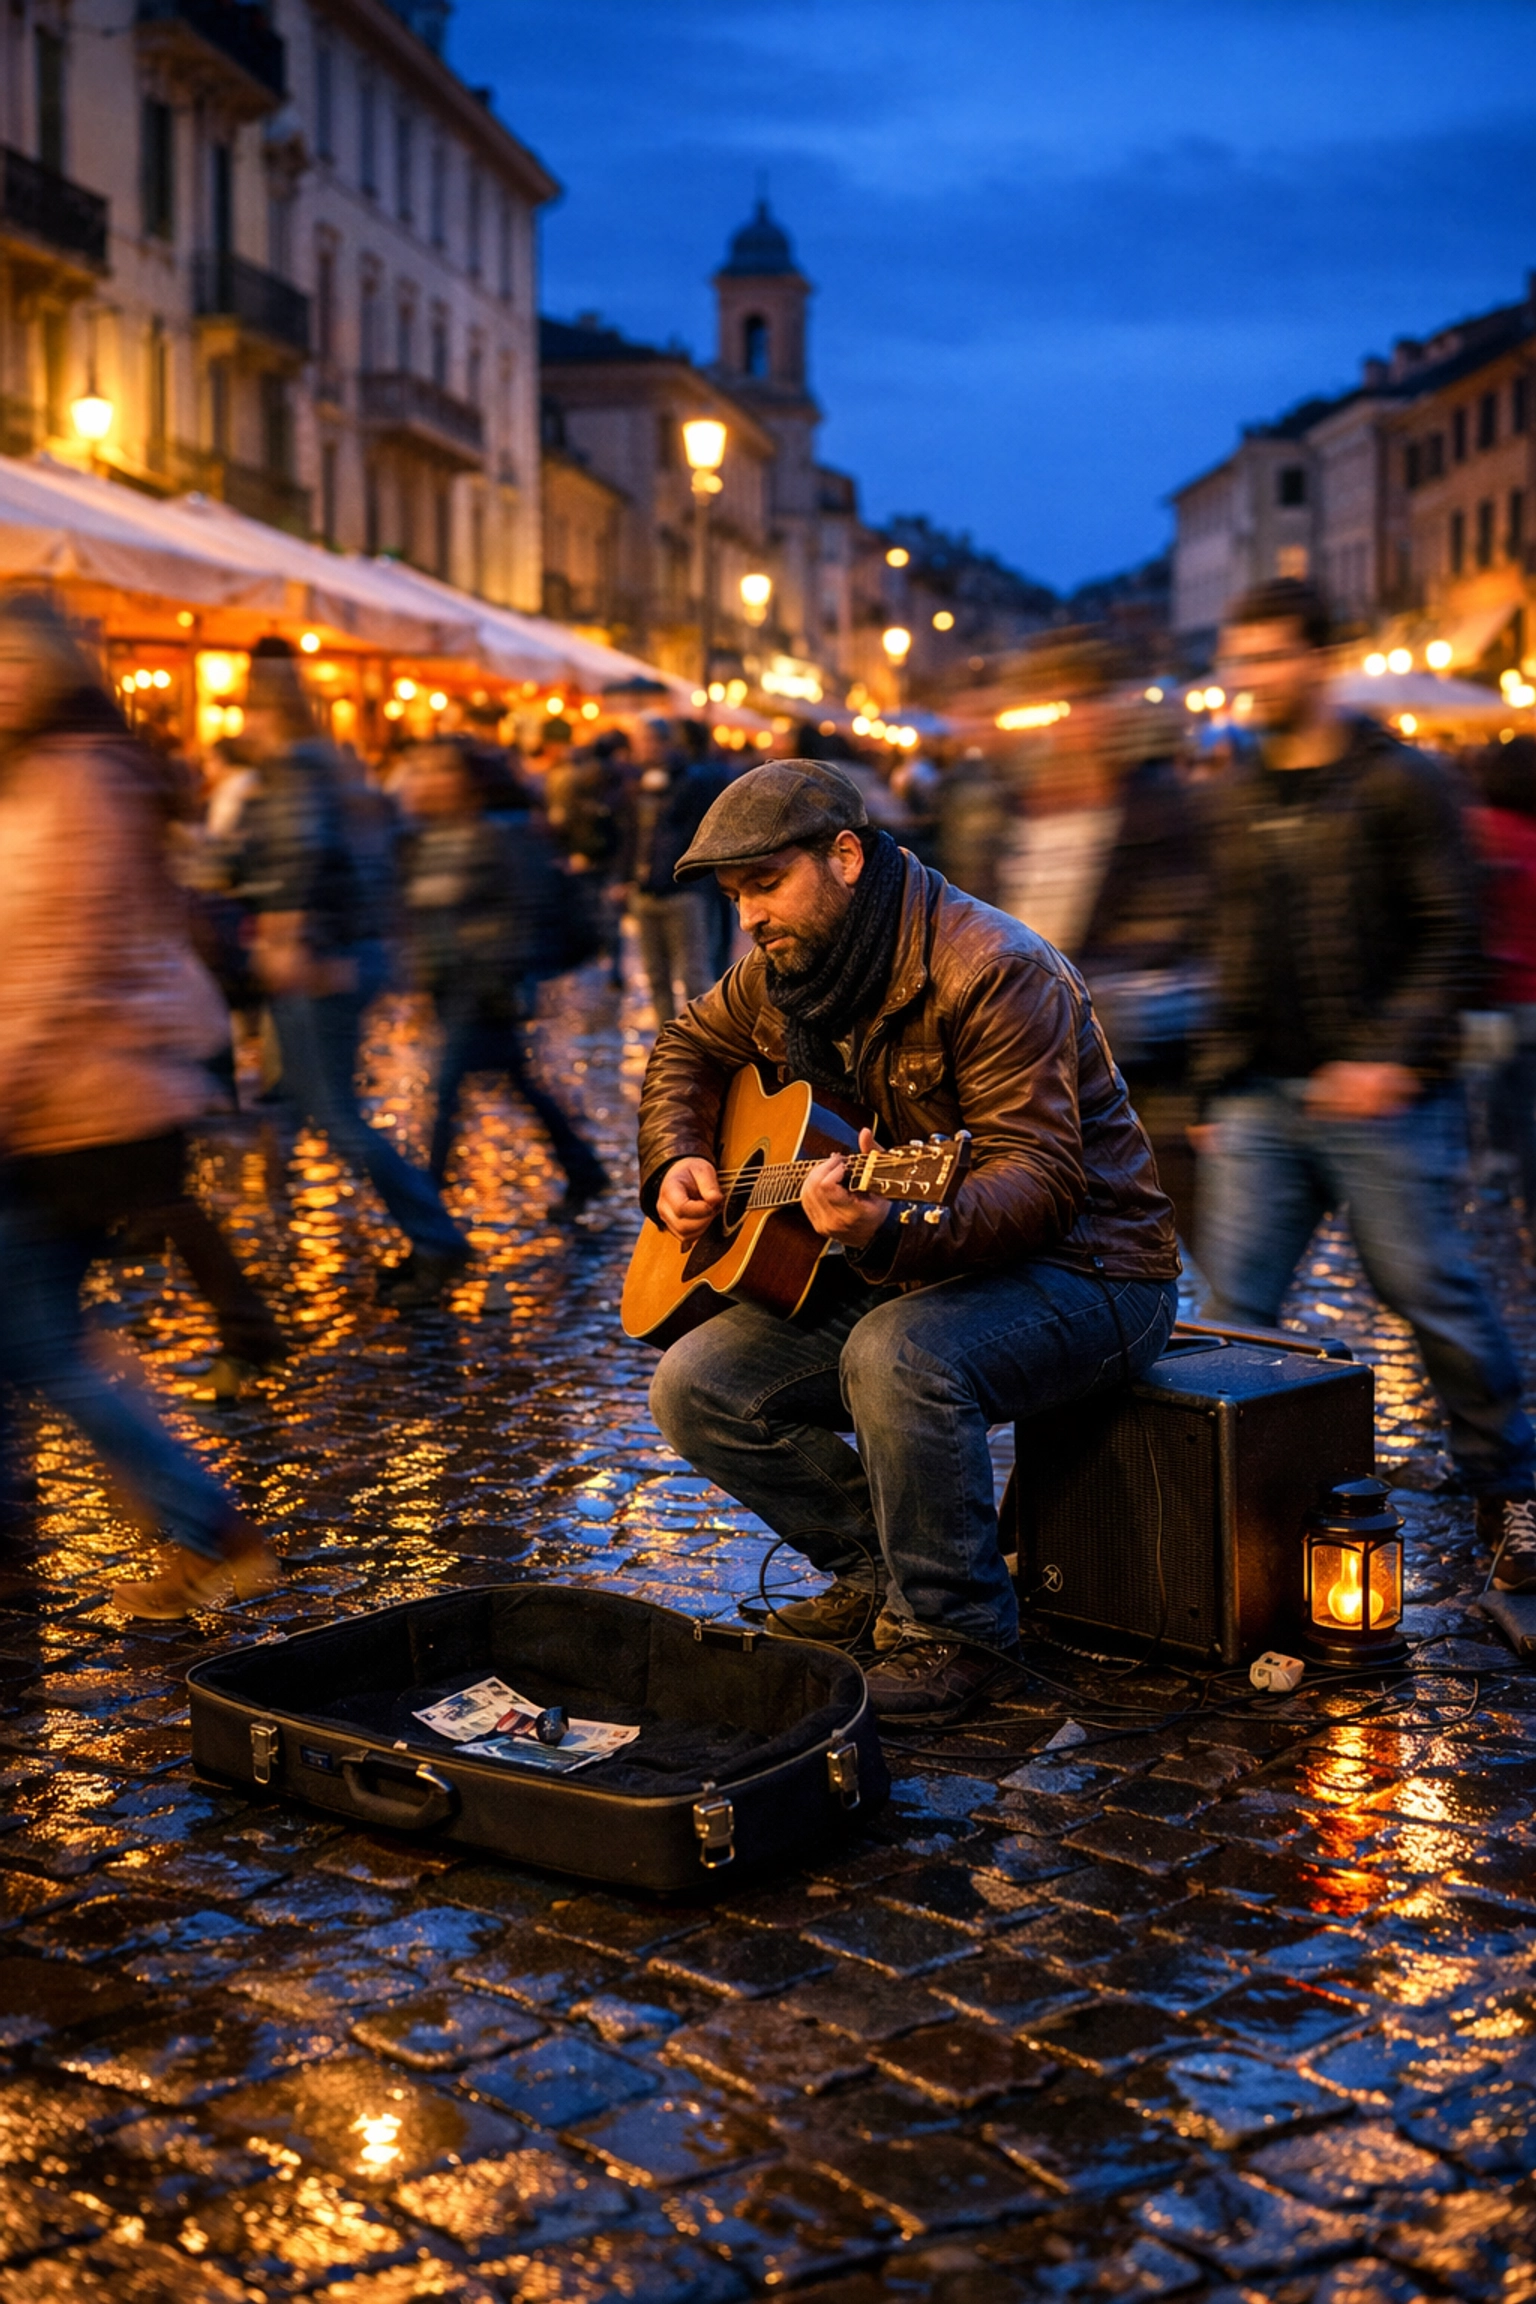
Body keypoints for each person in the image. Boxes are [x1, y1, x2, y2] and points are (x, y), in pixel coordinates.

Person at [639, 758, 1180, 1718]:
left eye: (767, 885)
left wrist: (890, 1226)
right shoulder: (784, 973)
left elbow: (1043, 1183)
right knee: (699, 1383)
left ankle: (959, 1630)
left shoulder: (993, 966)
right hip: (915, 1258)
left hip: (1094, 1271)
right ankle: (876, 1580)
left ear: (845, 858)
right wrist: (678, 1156)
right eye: (735, 896)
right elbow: (689, 1042)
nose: (751, 919)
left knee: (898, 1355)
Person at [1192, 578, 1535, 1584]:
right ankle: (1245, 1510)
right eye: (1238, 657)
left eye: (1265, 657)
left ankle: (1508, 1485)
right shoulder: (1243, 790)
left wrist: (1390, 1056)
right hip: (1265, 1094)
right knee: (1234, 1309)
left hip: (1386, 1096)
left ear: (1318, 661)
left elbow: (1451, 935)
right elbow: (1234, 943)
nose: (1247, 677)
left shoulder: (1401, 782)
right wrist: (1219, 1082)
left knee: (1430, 1288)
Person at [0, 591, 279, 1619]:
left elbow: (57, 959)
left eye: (16, 658)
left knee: (35, 1341)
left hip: (77, 1105)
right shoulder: (39, 772)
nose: (1, 676)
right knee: (29, 1333)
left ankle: (208, 1528)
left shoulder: (77, 776)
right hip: (61, 1101)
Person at [238, 637, 469, 1311]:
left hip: (316, 959)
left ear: (263, 708)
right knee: (322, 1105)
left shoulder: (293, 769)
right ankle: (431, 1234)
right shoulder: (334, 766)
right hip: (346, 953)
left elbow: (298, 855)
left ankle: (435, 1237)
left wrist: (284, 933)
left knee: (335, 1113)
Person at [402, 740, 609, 1215]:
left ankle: (426, 1216)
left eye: (440, 769)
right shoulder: (431, 836)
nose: (426, 779)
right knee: (519, 1083)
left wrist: (501, 977)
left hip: (479, 989)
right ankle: (584, 1171)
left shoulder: (498, 836)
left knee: (446, 1094)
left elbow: (523, 914)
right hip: (455, 987)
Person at [1469, 736, 1536, 1245]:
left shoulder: (1477, 833)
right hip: (1529, 998)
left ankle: (1491, 1186)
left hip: (1489, 1003)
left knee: (1493, 1107)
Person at [620, 722, 725, 1025]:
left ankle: (704, 1043)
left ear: (665, 743)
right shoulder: (637, 783)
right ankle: (667, 1042)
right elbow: (632, 835)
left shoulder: (692, 780)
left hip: (684, 890)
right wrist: (626, 876)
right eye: (639, 741)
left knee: (693, 972)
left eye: (648, 740)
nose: (642, 748)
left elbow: (696, 833)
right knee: (655, 974)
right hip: (645, 889)